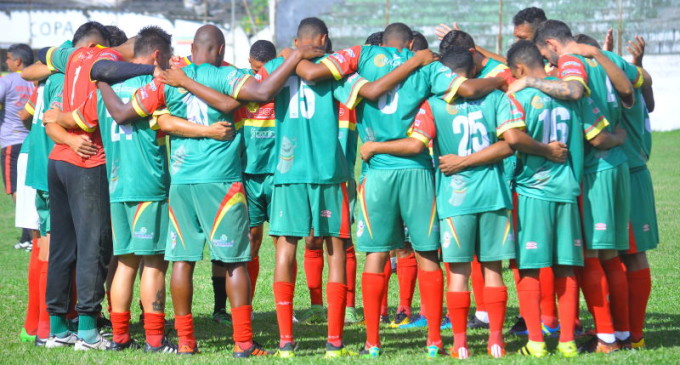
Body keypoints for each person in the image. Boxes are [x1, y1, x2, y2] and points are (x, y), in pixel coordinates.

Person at [100, 24, 324, 357]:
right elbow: (263, 93)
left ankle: (187, 341)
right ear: (219, 49)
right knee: (234, 262)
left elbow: (124, 113)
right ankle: (244, 342)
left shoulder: (168, 80)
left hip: (181, 183)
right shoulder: (226, 76)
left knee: (182, 262)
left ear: (194, 48)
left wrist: (99, 78)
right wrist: (294, 58)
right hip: (221, 182)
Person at [296, 21, 505, 358]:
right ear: (410, 44)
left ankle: (373, 342)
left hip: (377, 174)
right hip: (418, 172)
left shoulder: (360, 56)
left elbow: (320, 75)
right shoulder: (427, 65)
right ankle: (435, 340)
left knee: (376, 255)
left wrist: (296, 55)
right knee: (426, 254)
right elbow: (466, 90)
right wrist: (501, 79)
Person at [359, 47, 519, 358]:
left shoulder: (433, 105)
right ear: (470, 71)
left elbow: (416, 143)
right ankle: (493, 341)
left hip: (454, 197)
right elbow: (510, 143)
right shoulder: (497, 98)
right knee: (492, 270)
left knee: (457, 272)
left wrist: (374, 146)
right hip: (493, 194)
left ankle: (458, 343)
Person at [510, 19, 644, 353]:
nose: (551, 64)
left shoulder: (570, 68)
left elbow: (575, 99)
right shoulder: (597, 61)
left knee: (589, 258)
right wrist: (617, 136)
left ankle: (607, 338)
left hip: (584, 176)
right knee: (606, 256)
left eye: (548, 56)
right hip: (611, 167)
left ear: (551, 46)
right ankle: (621, 335)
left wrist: (529, 81)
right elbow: (634, 90)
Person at [231, 39, 277, 318]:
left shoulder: (279, 84)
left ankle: (284, 306)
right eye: (253, 69)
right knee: (257, 238)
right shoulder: (242, 85)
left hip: (275, 172)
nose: (257, 74)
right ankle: (245, 304)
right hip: (249, 173)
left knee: (279, 240)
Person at [0, 43, 35, 250]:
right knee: (29, 187)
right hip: (32, 142)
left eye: (9, 58)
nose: (6, 62)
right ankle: (27, 236)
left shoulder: (9, 80)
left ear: (18, 61)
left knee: (15, 189)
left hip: (11, 141)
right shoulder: (35, 81)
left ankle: (31, 235)